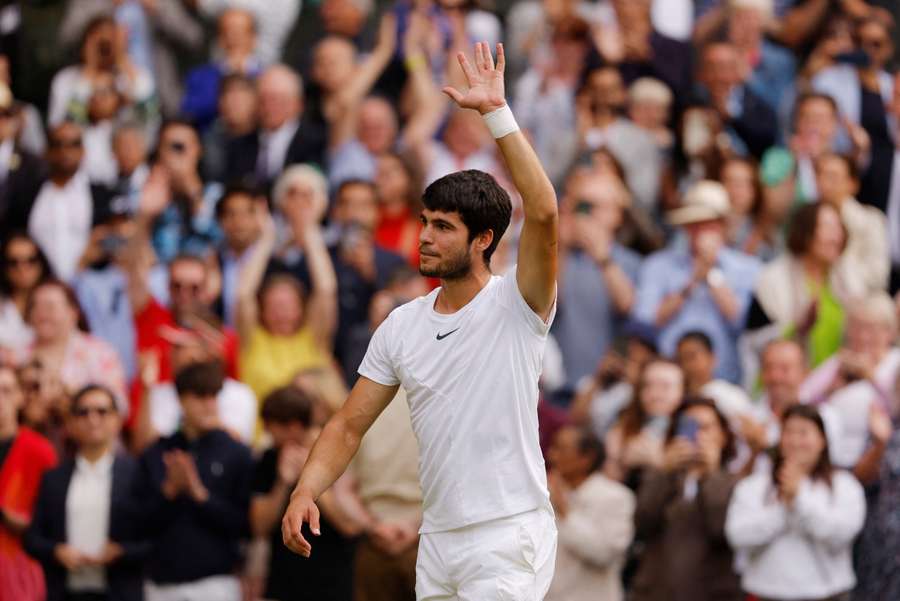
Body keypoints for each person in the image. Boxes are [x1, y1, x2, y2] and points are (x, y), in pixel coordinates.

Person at [283, 42, 560, 598]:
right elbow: (347, 426)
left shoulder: (519, 303)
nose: (426, 236)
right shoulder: (402, 324)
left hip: (509, 535)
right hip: (438, 541)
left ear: (483, 240)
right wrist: (304, 490)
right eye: (425, 222)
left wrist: (496, 116)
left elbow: (546, 210)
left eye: (443, 227)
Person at [136, 361, 253, 601]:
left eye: (214, 395)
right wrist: (169, 491)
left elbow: (244, 525)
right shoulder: (158, 452)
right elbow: (138, 524)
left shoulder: (236, 452)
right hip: (162, 584)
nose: (209, 404)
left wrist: (199, 494)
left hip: (216, 583)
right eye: (200, 396)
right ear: (180, 399)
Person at [726, 404, 866, 601]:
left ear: (822, 440)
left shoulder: (844, 486)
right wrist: (784, 507)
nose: (795, 441)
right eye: (788, 432)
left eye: (804, 433)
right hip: (765, 593)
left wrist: (799, 500)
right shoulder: (754, 486)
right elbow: (738, 535)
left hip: (825, 595)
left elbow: (840, 534)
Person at [25, 385, 149, 601]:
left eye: (102, 411)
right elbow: (33, 538)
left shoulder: (136, 475)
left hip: (119, 591)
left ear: (117, 420)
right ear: (71, 423)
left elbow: (154, 538)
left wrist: (121, 552)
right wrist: (57, 551)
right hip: (66, 592)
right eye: (83, 412)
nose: (93, 419)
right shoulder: (54, 479)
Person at [635, 180, 761, 384]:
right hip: (670, 378)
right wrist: (692, 280)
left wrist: (711, 273)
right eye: (694, 224)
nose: (700, 231)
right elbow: (646, 321)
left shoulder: (748, 268)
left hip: (725, 379)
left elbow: (741, 322)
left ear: (723, 225)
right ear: (685, 228)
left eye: (708, 223)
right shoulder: (658, 265)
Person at [250, 386, 365, 601]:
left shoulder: (337, 456)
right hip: (282, 586)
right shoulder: (269, 459)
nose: (267, 434)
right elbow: (259, 527)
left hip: (332, 586)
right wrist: (283, 483)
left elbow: (351, 525)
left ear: (292, 426)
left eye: (271, 427)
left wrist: (310, 484)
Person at [630, 397, 742, 601]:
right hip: (655, 592)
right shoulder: (660, 475)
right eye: (689, 427)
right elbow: (641, 524)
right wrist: (664, 473)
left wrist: (712, 475)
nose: (697, 436)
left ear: (724, 435)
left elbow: (721, 530)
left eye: (706, 428)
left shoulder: (735, 482)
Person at [236, 196, 337, 403]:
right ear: (261, 311)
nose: (281, 312)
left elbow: (326, 290)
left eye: (288, 305)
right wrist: (265, 239)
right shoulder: (250, 339)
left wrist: (310, 233)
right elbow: (243, 294)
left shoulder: (314, 339)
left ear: (302, 309)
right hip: (259, 434)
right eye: (274, 306)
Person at [554, 170, 640, 392]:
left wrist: (602, 257)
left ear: (617, 215)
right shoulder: (560, 257)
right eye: (580, 206)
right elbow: (547, 303)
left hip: (605, 391)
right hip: (556, 387)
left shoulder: (630, 262)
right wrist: (559, 245)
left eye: (593, 206)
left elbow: (629, 307)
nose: (585, 214)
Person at [751, 202, 863, 367]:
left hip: (836, 383)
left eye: (838, 227)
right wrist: (799, 327)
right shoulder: (773, 279)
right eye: (827, 227)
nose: (835, 237)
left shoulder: (849, 275)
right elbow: (756, 342)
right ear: (806, 232)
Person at [803, 292, 900, 469]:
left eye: (871, 328)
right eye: (856, 327)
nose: (863, 336)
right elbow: (802, 403)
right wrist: (831, 388)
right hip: (831, 457)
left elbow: (896, 408)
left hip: (884, 458)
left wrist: (871, 376)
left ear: (890, 332)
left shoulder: (896, 363)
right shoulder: (837, 363)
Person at [545, 426, 634, 601]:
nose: (552, 456)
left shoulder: (616, 497)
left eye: (561, 449)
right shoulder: (544, 493)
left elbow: (605, 553)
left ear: (587, 458)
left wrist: (566, 513)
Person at [20, 279, 128, 413]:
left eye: (50, 307)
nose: (42, 313)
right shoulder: (19, 356)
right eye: (35, 306)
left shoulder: (100, 352)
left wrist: (71, 398)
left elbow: (120, 406)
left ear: (73, 312)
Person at [0, 364, 57, 601]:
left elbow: (52, 522)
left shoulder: (39, 451)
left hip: (22, 575)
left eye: (5, 390)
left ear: (20, 397)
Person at [226, 64, 327, 188]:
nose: (269, 107)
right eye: (263, 99)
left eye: (276, 99)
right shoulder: (240, 146)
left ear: (297, 104)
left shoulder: (316, 144)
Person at [815, 152, 889, 293]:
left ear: (852, 184)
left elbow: (878, 276)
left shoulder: (872, 220)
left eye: (833, 177)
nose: (824, 183)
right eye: (820, 175)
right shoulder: (806, 218)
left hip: (860, 303)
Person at [603, 359, 685, 486]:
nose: (655, 394)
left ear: (683, 390)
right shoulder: (622, 429)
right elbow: (609, 481)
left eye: (665, 386)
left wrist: (659, 462)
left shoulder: (693, 429)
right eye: (647, 385)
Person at [180, 8, 262, 132]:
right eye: (229, 31)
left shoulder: (267, 79)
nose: (235, 37)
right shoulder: (200, 76)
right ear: (220, 39)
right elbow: (190, 112)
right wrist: (228, 76)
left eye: (241, 31)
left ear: (254, 38)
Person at [675, 330, 753, 423]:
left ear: (712, 358)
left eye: (692, 357)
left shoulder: (731, 397)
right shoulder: (675, 399)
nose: (686, 365)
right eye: (681, 359)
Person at [0, 234, 51, 354]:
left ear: (41, 262)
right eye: (13, 262)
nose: (22, 268)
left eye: (31, 260)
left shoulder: (56, 299)